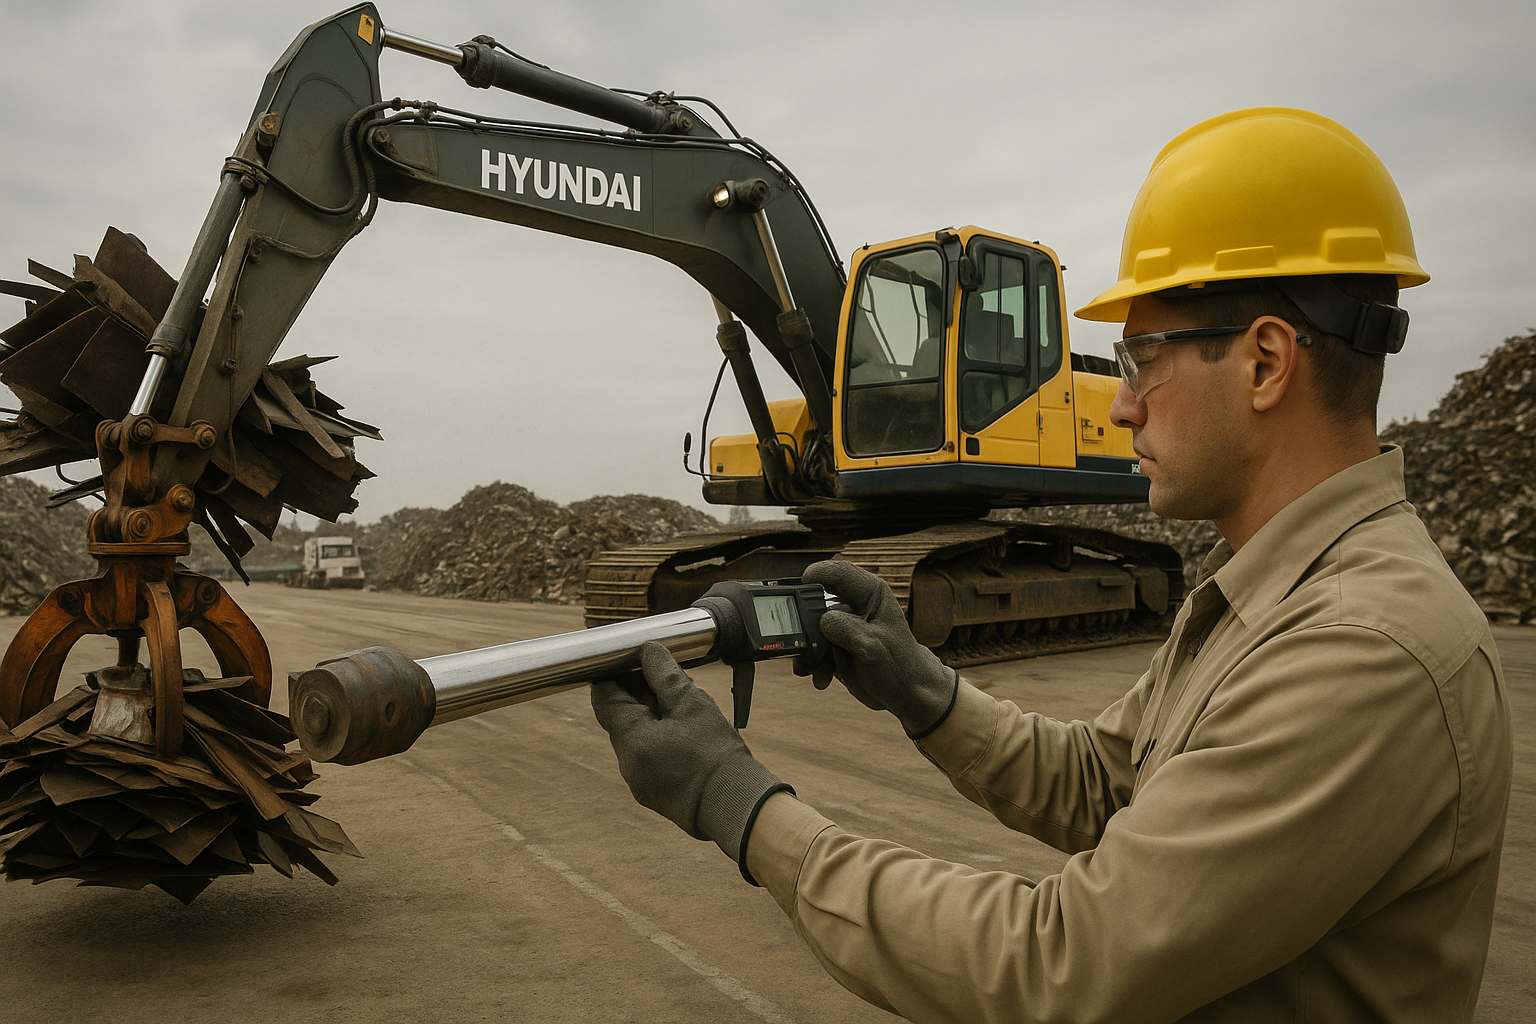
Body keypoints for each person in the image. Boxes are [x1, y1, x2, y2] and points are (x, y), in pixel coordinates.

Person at [591, 108, 1514, 1022]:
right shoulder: (1271, 594)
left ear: (1266, 362)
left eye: (1143, 356)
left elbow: (1061, 965)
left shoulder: (1362, 649)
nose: (1121, 405)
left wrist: (739, 804)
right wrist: (925, 691)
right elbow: (1105, 783)